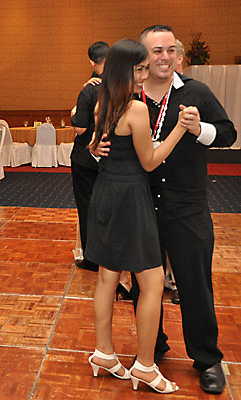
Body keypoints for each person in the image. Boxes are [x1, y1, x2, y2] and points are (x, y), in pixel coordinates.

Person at [96, 26, 237, 395]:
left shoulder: (196, 92)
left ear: (179, 55)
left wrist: (199, 128)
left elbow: (228, 133)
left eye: (171, 50)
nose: (164, 57)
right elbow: (102, 143)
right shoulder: (129, 95)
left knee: (195, 284)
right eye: (156, 51)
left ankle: (206, 358)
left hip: (186, 205)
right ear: (142, 58)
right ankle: (151, 350)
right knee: (146, 285)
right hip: (141, 207)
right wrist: (96, 149)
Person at [87, 38, 190, 394]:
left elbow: (98, 147)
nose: (145, 75)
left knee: (107, 276)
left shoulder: (102, 103)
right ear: (125, 70)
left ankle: (104, 353)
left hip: (106, 193)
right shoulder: (136, 109)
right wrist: (179, 129)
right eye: (141, 69)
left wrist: (94, 147)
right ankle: (145, 366)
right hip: (130, 197)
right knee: (153, 281)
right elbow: (149, 161)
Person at [70, 41, 109, 273]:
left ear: (92, 62)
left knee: (87, 207)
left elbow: (80, 128)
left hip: (86, 157)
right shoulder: (122, 86)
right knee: (108, 207)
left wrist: (74, 112)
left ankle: (92, 258)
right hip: (111, 156)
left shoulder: (90, 89)